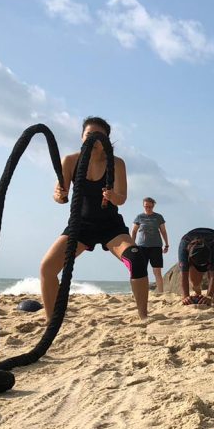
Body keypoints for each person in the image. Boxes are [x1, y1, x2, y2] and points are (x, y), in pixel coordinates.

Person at [39, 117, 149, 318]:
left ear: (106, 140)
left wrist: (113, 196)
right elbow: (59, 195)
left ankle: (143, 316)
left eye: (99, 137)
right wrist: (59, 195)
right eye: (89, 135)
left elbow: (121, 198)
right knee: (47, 268)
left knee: (137, 259)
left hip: (110, 227)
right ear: (82, 137)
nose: (93, 140)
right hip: (80, 227)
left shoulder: (116, 163)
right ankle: (52, 322)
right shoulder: (71, 161)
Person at [130, 197, 169, 294]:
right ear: (143, 206)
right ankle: (141, 292)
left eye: (150, 207)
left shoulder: (158, 217)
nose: (147, 208)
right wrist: (132, 244)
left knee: (157, 271)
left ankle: (160, 293)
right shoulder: (139, 217)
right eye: (146, 206)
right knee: (142, 271)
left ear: (153, 206)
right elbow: (134, 231)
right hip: (142, 247)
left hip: (156, 247)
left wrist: (166, 244)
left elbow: (163, 231)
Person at [177, 227, 214, 306]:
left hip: (213, 238)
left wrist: (209, 296)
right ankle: (198, 293)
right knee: (194, 281)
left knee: (213, 272)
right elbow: (184, 275)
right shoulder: (184, 247)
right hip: (190, 240)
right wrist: (185, 297)